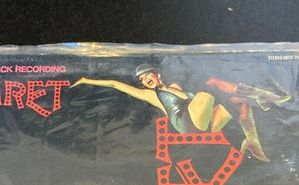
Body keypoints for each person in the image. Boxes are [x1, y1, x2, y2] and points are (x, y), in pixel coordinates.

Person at [71, 65, 271, 161]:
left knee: (239, 103)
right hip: (186, 122)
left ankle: (251, 140)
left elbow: (195, 102)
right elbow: (115, 84)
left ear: (156, 74)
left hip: (204, 125)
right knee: (207, 89)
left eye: (146, 76)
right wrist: (86, 80)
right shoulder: (151, 95)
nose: (144, 80)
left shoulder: (175, 86)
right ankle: (261, 94)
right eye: (142, 80)